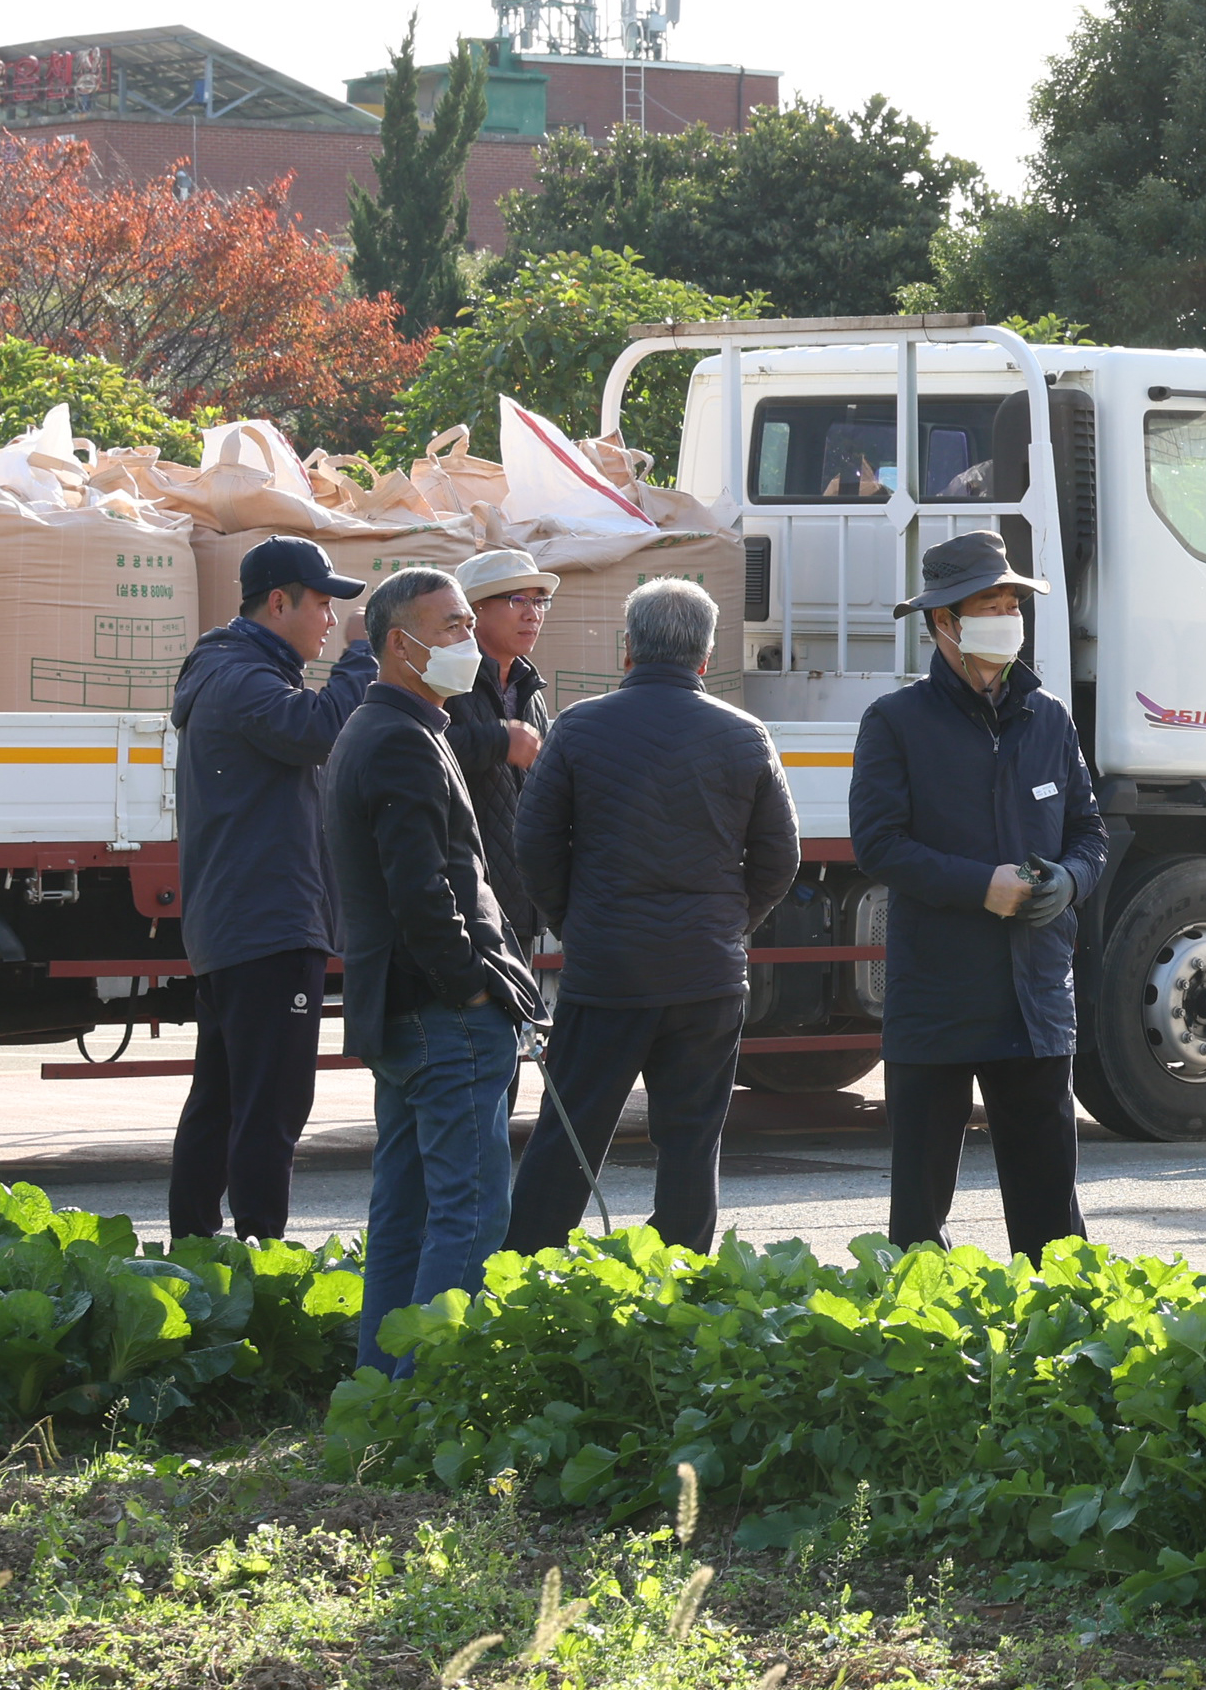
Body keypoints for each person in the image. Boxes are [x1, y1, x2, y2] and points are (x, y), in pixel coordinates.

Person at [506, 578, 799, 1254]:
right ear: (705, 657)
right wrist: (730, 925)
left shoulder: (580, 727)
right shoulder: (746, 735)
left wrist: (575, 922)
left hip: (607, 970)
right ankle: (682, 1281)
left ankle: (525, 1272)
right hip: (707, 973)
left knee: (571, 1133)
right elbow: (780, 858)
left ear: (628, 649)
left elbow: (534, 843)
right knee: (692, 1139)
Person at [848, 532, 1107, 1258]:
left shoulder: (1048, 717)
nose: (1008, 619)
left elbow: (1090, 832)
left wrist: (1070, 880)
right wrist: (978, 887)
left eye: (1012, 605)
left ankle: (1055, 1326)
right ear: (945, 623)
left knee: (1052, 1224)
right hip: (939, 996)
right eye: (990, 607)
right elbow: (879, 844)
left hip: (1035, 999)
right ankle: (916, 1325)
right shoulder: (896, 722)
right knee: (919, 1223)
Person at [327, 566, 543, 1373]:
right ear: (399, 645)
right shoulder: (399, 739)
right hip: (443, 1015)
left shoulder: (393, 729)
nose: (468, 641)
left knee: (407, 1213)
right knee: (470, 1213)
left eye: (466, 624)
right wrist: (473, 986)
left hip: (407, 1012)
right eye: (451, 626)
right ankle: (425, 1398)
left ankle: (381, 1393)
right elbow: (423, 892)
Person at [164, 535, 377, 1245]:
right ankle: (260, 1254)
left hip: (241, 924)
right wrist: (362, 654)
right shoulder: (241, 679)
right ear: (279, 603)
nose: (329, 618)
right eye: (322, 604)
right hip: (267, 925)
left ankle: (196, 1249)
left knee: (225, 1100)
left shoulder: (232, 671)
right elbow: (323, 728)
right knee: (271, 1106)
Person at [444, 549, 558, 945]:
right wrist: (495, 741)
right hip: (461, 909)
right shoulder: (444, 679)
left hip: (522, 907)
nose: (533, 614)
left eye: (540, 601)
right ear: (475, 610)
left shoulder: (530, 690)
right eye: (518, 600)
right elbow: (412, 752)